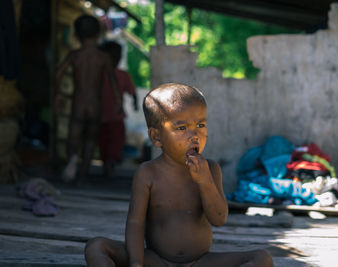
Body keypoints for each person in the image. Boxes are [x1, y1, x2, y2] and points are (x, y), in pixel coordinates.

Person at [84, 83, 273, 267]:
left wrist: (205, 181)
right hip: (157, 261)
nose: (194, 135)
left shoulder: (211, 169)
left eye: (200, 124)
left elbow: (219, 218)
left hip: (200, 262)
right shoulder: (148, 173)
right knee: (96, 247)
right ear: (156, 137)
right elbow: (135, 223)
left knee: (262, 258)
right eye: (182, 128)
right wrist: (136, 263)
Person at [55, 15, 121, 183]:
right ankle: (83, 173)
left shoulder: (74, 55)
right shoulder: (104, 57)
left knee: (73, 136)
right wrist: (118, 102)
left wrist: (59, 94)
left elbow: (58, 73)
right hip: (95, 105)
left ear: (76, 36)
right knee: (91, 140)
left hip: (78, 103)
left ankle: (72, 160)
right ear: (99, 34)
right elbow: (113, 81)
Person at [98, 41, 138, 178]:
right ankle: (107, 163)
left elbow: (132, 91)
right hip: (100, 115)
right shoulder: (98, 74)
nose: (116, 59)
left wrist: (136, 102)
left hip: (115, 115)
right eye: (113, 56)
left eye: (118, 56)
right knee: (103, 141)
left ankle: (110, 162)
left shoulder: (123, 75)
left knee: (116, 140)